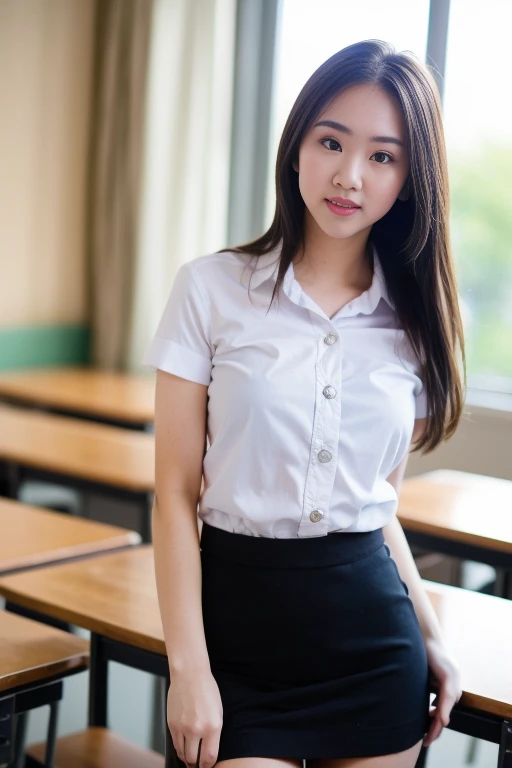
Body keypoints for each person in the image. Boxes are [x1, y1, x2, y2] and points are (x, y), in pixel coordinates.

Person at [142, 39, 465, 768]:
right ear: (296, 150)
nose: (350, 175)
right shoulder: (210, 290)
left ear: (410, 182)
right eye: (331, 141)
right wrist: (188, 668)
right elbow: (171, 495)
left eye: (383, 156)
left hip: (374, 655)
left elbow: (379, 506)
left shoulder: (412, 323)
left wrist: (431, 635)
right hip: (238, 646)